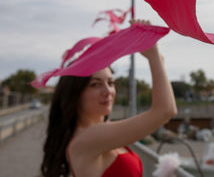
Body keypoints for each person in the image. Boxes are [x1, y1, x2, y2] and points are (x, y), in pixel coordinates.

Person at [41, 20, 177, 177]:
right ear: (75, 93)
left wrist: (156, 57)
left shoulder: (102, 131)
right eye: (95, 84)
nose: (108, 91)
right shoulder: (87, 138)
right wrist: (153, 55)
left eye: (111, 82)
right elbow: (165, 111)